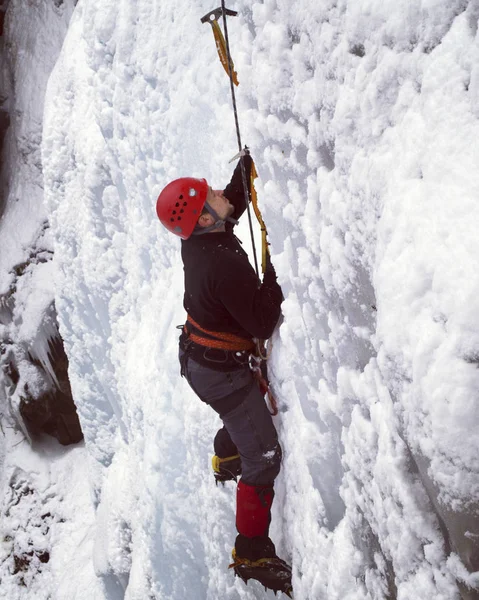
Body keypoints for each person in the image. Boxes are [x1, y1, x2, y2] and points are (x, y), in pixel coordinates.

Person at [156, 152, 292, 596]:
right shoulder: (221, 264)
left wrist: (239, 180)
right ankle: (252, 551)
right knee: (266, 457)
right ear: (204, 219)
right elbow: (261, 321)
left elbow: (222, 209)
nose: (218, 192)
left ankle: (227, 457)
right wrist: (275, 270)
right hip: (221, 374)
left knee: (238, 418)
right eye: (210, 193)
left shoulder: (199, 238)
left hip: (203, 362)